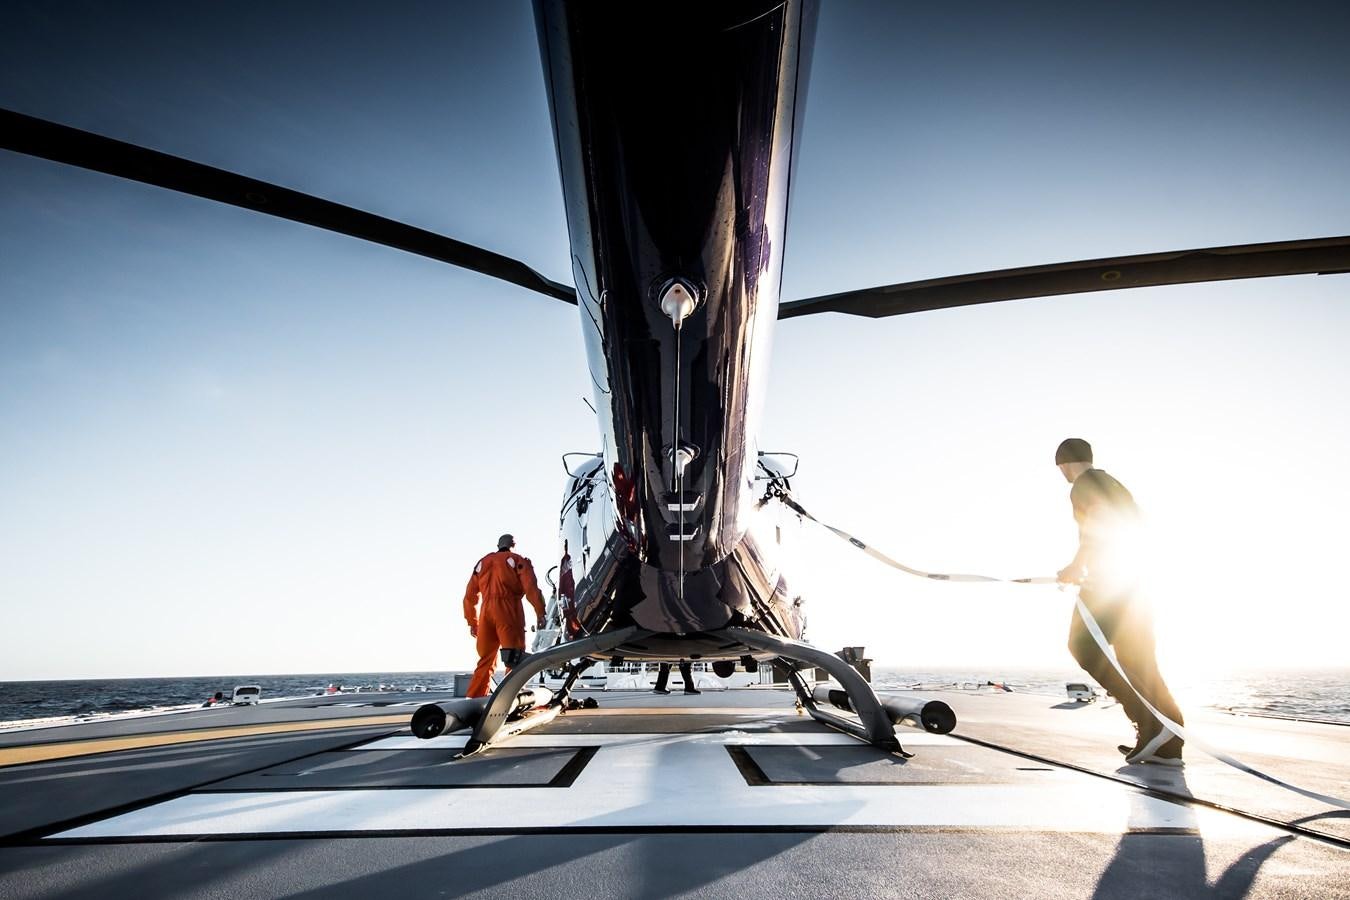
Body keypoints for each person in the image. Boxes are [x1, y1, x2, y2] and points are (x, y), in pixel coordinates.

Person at [1054, 437, 1185, 766]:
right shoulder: (1115, 484)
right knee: (1138, 660)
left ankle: (1148, 722)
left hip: (1108, 585)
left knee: (1081, 646)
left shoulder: (1083, 484)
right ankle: (1169, 743)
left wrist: (1078, 565)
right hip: (1136, 586)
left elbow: (1096, 521)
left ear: (1065, 463)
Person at [463, 533, 546, 698]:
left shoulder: (482, 563)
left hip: (486, 613)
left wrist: (473, 622)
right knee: (514, 658)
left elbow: (469, 597)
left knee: (485, 659)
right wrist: (540, 613)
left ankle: (475, 697)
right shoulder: (517, 560)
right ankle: (510, 697)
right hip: (509, 611)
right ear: (513, 544)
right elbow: (531, 589)